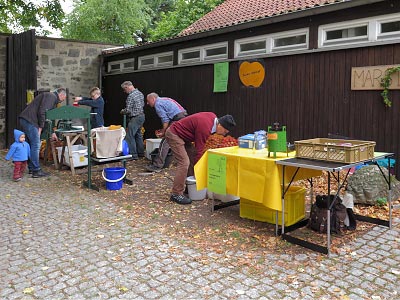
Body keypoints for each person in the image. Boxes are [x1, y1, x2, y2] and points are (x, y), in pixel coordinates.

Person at [165, 113, 236, 205]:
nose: (224, 134)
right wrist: (198, 171)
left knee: (191, 156)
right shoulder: (205, 127)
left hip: (184, 136)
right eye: (225, 131)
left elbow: (196, 152)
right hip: (174, 134)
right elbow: (199, 150)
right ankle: (176, 194)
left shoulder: (213, 118)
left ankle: (189, 186)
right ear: (220, 125)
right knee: (184, 162)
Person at [19, 88, 67, 178]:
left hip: (26, 119)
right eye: (64, 97)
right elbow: (42, 112)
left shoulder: (51, 98)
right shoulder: (51, 96)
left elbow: (48, 117)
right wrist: (40, 127)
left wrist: (52, 132)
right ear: (61, 95)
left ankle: (31, 168)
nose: (64, 100)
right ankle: (36, 171)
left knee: (30, 144)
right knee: (36, 145)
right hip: (31, 121)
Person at [145, 92, 187, 172]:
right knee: (182, 141)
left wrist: (164, 132)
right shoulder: (166, 99)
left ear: (153, 99)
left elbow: (165, 120)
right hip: (184, 116)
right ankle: (184, 162)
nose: (147, 103)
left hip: (177, 119)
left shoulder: (158, 104)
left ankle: (157, 165)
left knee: (166, 140)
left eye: (148, 101)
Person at [120, 81, 145, 160]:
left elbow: (128, 110)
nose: (125, 92)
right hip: (141, 116)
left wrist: (122, 111)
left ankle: (133, 155)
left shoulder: (131, 96)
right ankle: (141, 153)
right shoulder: (140, 93)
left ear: (127, 87)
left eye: (124, 89)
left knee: (130, 136)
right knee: (138, 135)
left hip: (135, 117)